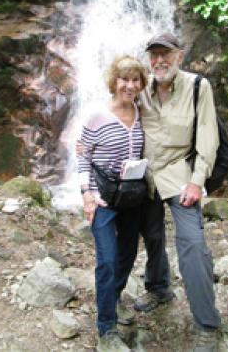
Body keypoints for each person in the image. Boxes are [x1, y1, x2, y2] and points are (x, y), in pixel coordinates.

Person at [134, 32, 221, 352]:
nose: (160, 60)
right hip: (145, 176)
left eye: (166, 54)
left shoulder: (198, 87)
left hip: (181, 176)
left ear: (180, 56)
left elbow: (208, 136)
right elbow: (116, 114)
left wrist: (198, 181)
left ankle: (208, 324)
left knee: (193, 244)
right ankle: (159, 288)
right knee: (152, 236)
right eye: (154, 54)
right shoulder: (139, 87)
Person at [77, 55, 148, 352]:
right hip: (103, 199)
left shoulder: (143, 112)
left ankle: (115, 297)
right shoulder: (97, 116)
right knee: (106, 260)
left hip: (132, 198)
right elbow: (83, 155)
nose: (129, 86)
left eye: (135, 80)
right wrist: (86, 194)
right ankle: (106, 329)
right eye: (124, 79)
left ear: (141, 84)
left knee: (128, 254)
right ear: (114, 82)